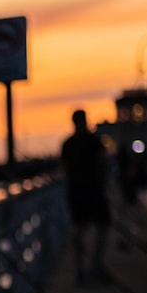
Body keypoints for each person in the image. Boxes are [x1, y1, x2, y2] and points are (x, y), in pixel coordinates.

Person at [60, 109, 111, 284]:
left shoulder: (67, 144)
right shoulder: (94, 141)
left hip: (76, 192)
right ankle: (95, 265)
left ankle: (80, 271)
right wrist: (102, 186)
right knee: (102, 227)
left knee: (79, 230)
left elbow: (65, 170)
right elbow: (103, 163)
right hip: (94, 191)